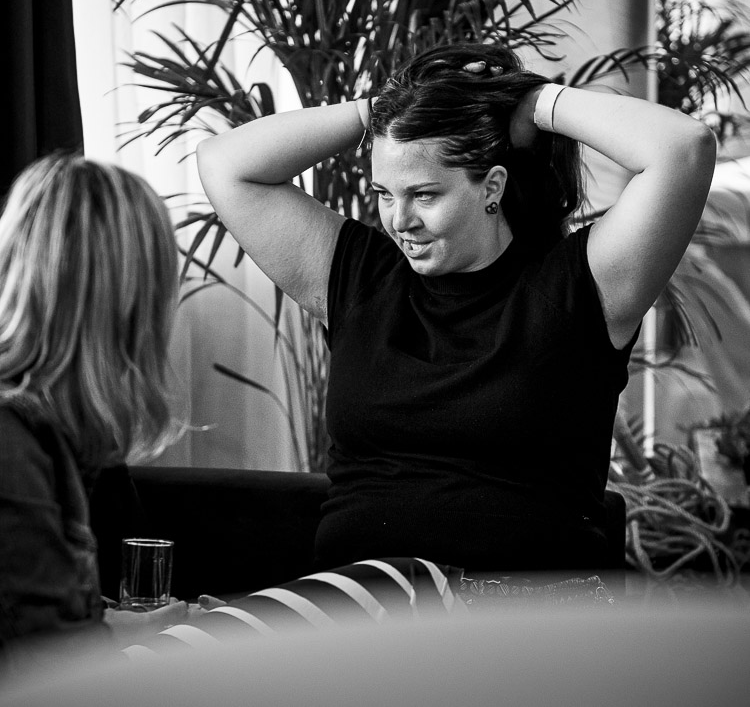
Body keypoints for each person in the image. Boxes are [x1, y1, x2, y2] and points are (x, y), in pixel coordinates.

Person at [196, 42, 716, 593]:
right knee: (178, 635)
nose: (400, 221)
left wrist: (531, 101)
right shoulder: (357, 278)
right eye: (384, 193)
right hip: (358, 606)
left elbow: (683, 148)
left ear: (492, 186)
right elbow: (225, 164)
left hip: (520, 613)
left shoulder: (582, 287)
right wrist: (388, 108)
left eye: (424, 195)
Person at [0, 153, 188, 660]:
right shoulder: (11, 443)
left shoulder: (39, 428)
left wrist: (118, 623)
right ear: (131, 300)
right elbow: (52, 666)